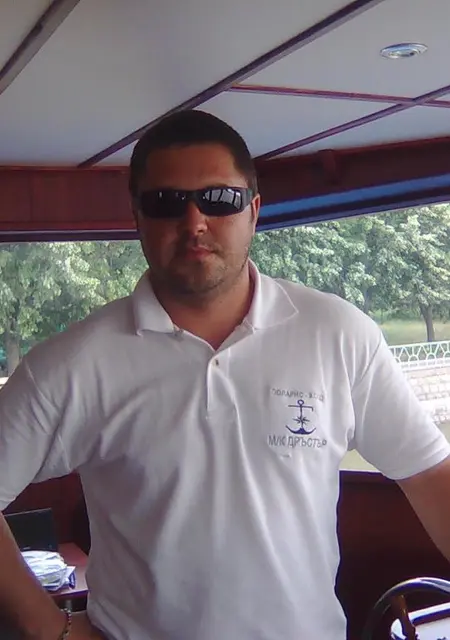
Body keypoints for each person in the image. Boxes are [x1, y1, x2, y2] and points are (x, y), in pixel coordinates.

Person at [1, 110, 450, 640]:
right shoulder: (75, 363)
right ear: (137, 217)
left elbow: (429, 475)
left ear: (253, 211)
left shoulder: (338, 334)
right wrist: (50, 629)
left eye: (219, 199)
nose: (195, 222)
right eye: (166, 202)